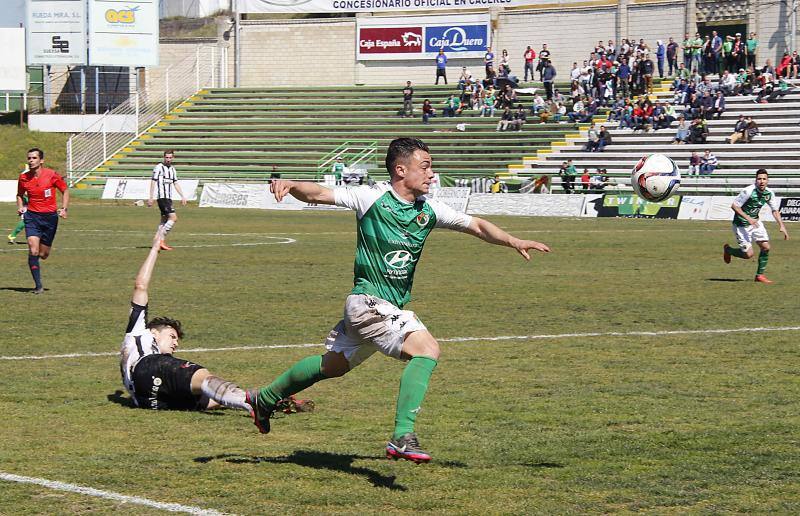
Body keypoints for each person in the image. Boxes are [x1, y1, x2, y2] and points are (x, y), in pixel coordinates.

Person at [248, 138, 551, 463]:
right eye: (425, 166)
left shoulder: (430, 209)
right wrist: (291, 184)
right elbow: (318, 193)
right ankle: (402, 436)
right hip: (368, 302)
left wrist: (514, 240)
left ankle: (264, 398)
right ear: (400, 169)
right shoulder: (372, 197)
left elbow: (476, 225)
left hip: (384, 306)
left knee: (333, 366)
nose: (432, 174)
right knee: (427, 349)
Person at [16, 148, 69, 294]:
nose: (31, 161)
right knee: (33, 250)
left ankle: (35, 258)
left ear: (41, 160)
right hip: (32, 217)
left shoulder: (51, 175)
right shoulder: (24, 177)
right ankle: (38, 286)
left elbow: (65, 190)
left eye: (34, 158)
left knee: (43, 254)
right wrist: (21, 207)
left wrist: (64, 208)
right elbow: (19, 194)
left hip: (50, 218)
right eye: (29, 158)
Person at [722, 169, 789, 283]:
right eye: (759, 179)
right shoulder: (748, 191)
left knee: (766, 247)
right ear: (756, 180)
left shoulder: (769, 193)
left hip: (755, 223)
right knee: (748, 255)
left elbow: (775, 210)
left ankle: (759, 276)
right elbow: (734, 206)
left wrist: (782, 226)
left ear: (767, 180)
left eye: (764, 179)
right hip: (741, 225)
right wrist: (748, 218)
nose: (762, 181)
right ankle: (728, 250)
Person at [148, 151, 187, 251]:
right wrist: (151, 197)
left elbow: (175, 183)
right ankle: (160, 239)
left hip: (169, 198)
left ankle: (158, 241)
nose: (168, 159)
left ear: (173, 158)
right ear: (164, 157)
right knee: (173, 218)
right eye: (166, 157)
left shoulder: (173, 169)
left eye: (170, 157)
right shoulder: (159, 167)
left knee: (164, 220)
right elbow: (153, 181)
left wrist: (182, 196)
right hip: (162, 197)